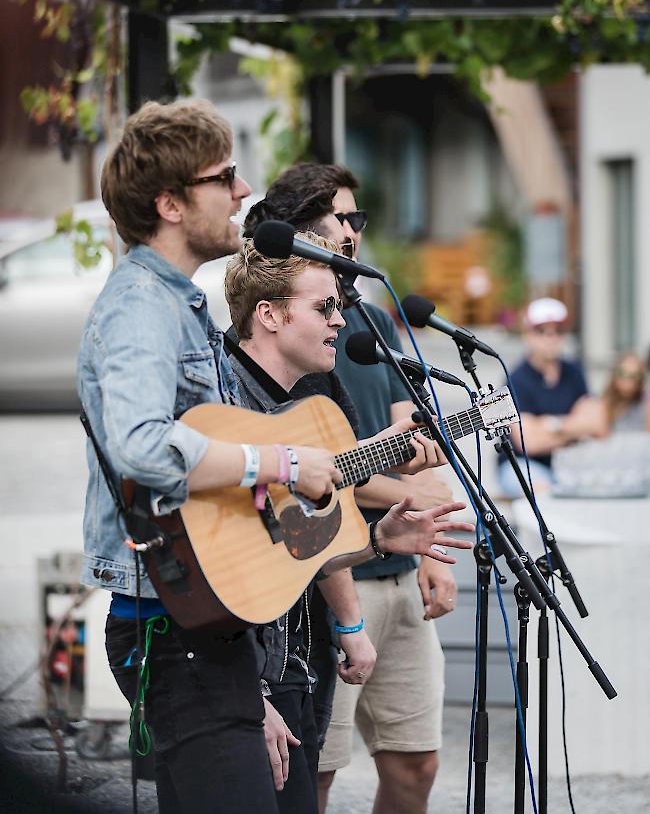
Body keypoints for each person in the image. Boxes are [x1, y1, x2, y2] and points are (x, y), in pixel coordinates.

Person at [77, 100, 457, 813]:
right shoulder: (139, 309)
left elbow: (240, 525)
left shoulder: (177, 304)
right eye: (223, 176)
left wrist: (373, 536)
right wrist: (279, 462)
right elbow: (139, 446)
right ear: (169, 203)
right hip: (169, 624)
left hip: (210, 628)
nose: (244, 190)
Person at [223, 235, 473, 813]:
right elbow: (236, 552)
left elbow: (295, 540)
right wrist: (251, 693)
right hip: (254, 660)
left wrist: (377, 539)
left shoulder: (313, 400)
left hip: (294, 645)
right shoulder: (226, 400)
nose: (340, 320)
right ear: (269, 314)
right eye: (324, 308)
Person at [498, 296, 605, 497]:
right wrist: (574, 427)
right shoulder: (517, 379)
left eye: (558, 331)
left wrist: (549, 425)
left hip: (569, 462)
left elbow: (597, 425)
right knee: (544, 491)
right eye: (541, 331)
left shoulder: (574, 371)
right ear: (527, 334)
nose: (550, 337)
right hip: (524, 465)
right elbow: (527, 442)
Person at [600, 351, 649, 434]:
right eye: (622, 373)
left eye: (634, 376)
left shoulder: (645, 404)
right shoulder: (603, 404)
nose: (627, 381)